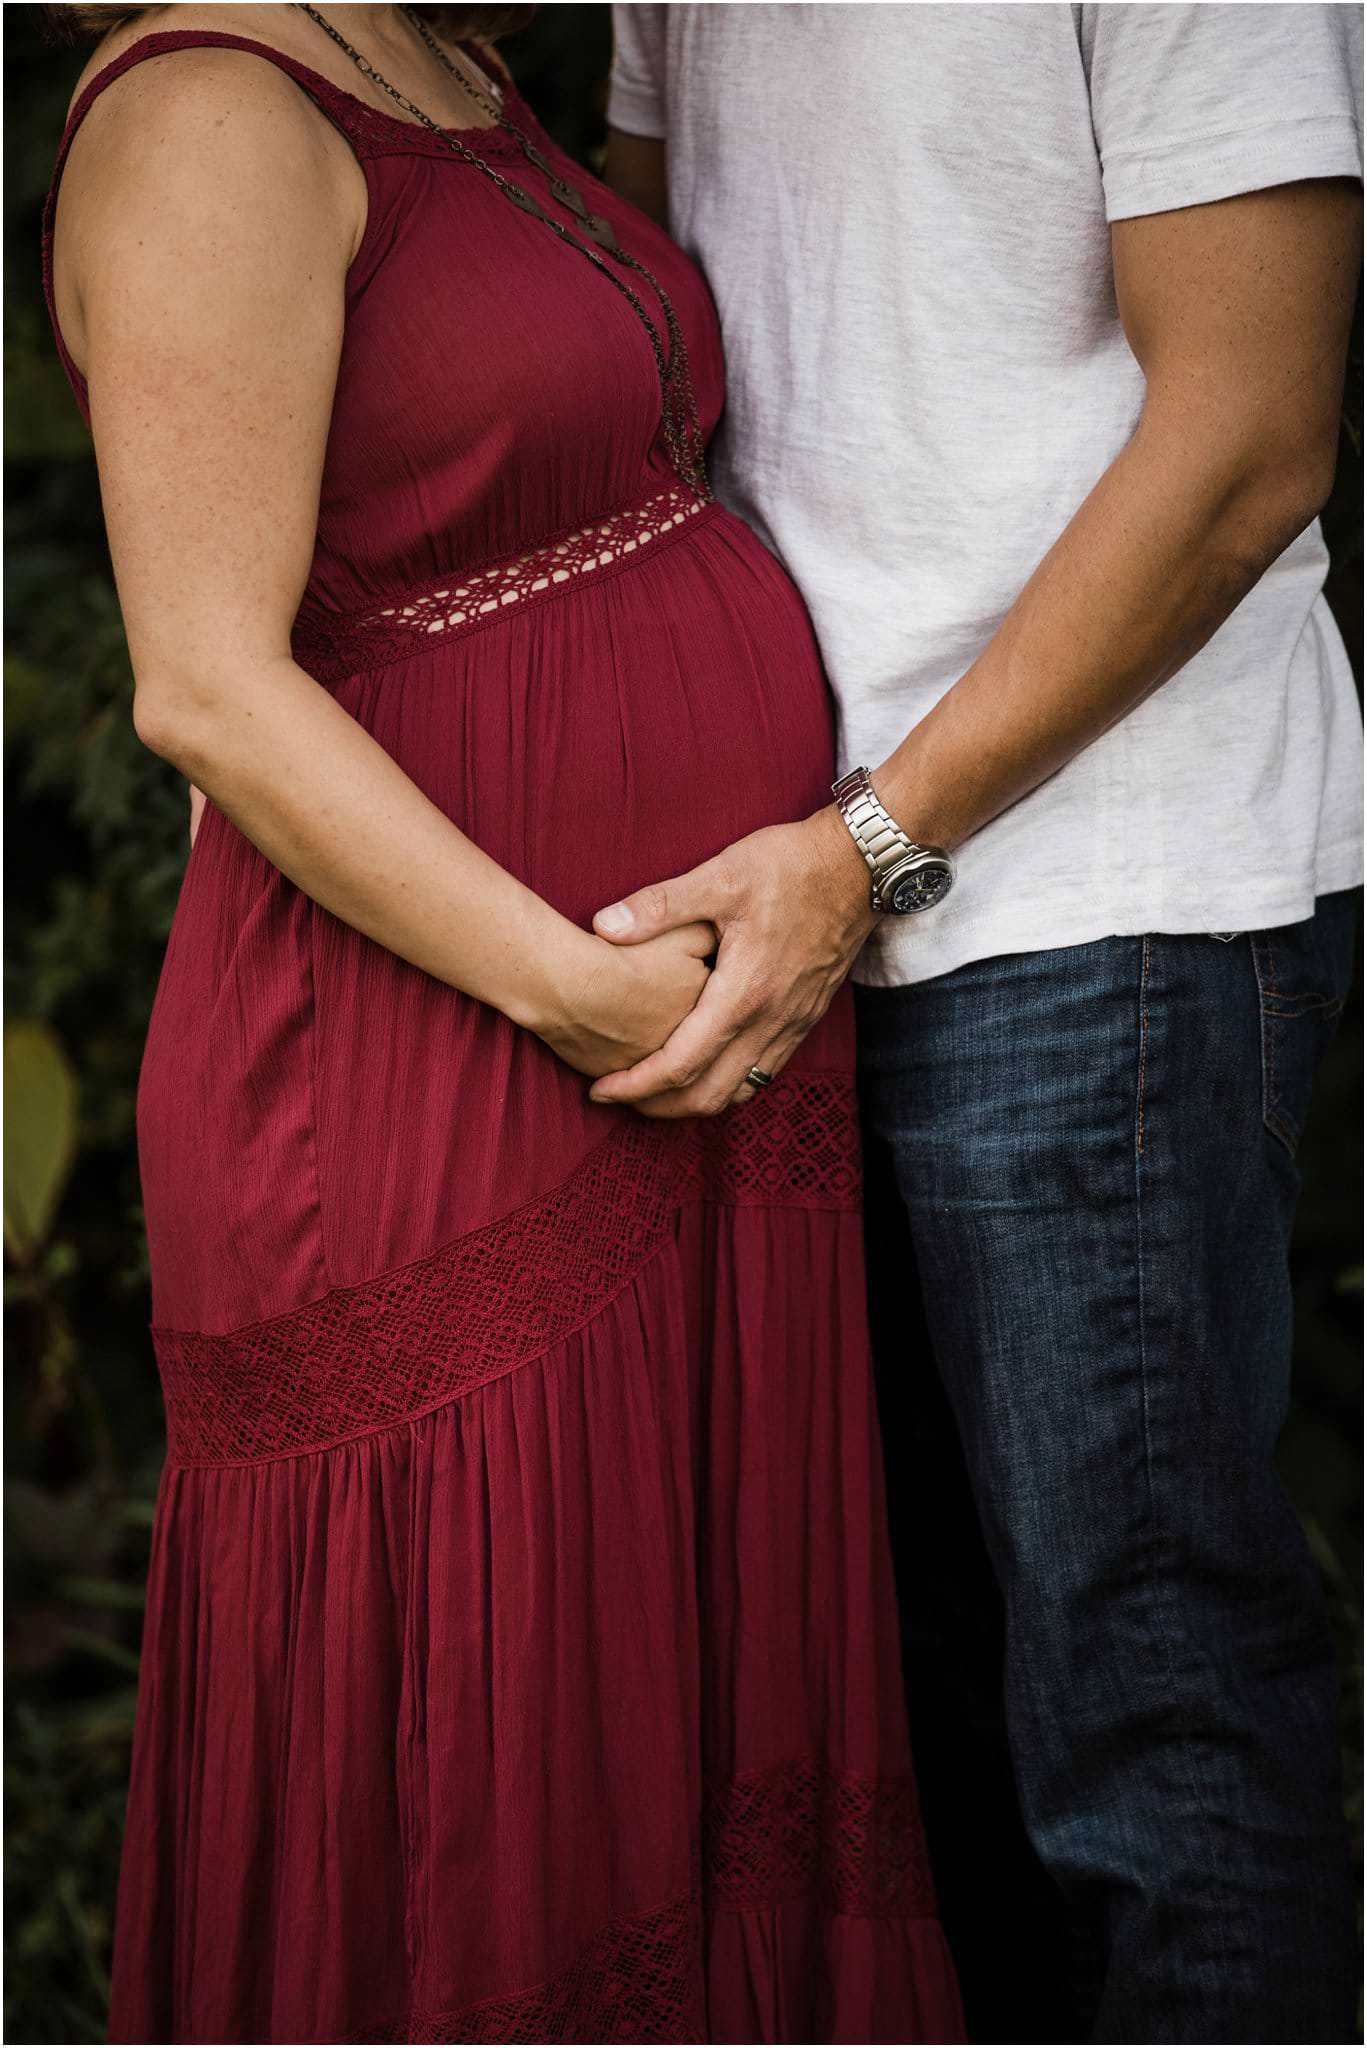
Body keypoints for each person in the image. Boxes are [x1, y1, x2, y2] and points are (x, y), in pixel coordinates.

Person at [40, 5, 968, 2041]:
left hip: (669, 1048)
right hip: (444, 1058)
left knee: (675, 1699)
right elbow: (203, 683)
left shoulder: (441, 59)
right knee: (503, 1740)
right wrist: (571, 986)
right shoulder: (212, 111)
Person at [602, 4, 1364, 2042]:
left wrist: (867, 842)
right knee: (900, 1744)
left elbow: (1253, 435)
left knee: (1154, 1714)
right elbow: (643, 362)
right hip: (779, 915)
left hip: (1091, 896)